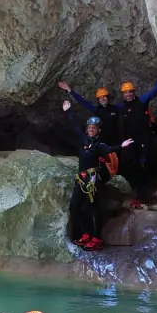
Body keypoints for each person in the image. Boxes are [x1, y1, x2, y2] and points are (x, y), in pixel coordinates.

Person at [61, 99, 133, 250]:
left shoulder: (100, 145)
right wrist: (68, 111)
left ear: (98, 130)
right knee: (74, 207)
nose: (91, 129)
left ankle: (96, 238)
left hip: (93, 180)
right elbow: (74, 127)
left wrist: (122, 146)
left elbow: (110, 149)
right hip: (81, 179)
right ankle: (84, 235)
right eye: (90, 127)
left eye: (94, 128)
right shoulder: (84, 140)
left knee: (93, 209)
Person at [118, 62, 157, 207]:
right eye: (126, 92)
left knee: (143, 163)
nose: (128, 94)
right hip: (131, 142)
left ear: (133, 92)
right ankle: (140, 192)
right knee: (134, 166)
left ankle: (144, 193)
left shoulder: (141, 102)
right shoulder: (121, 107)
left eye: (130, 92)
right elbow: (103, 111)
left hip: (143, 139)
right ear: (123, 94)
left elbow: (154, 91)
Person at [57, 81, 120, 145]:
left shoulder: (115, 108)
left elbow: (127, 105)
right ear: (98, 100)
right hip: (102, 142)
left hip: (116, 141)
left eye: (104, 97)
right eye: (100, 97)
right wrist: (69, 90)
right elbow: (83, 101)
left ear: (108, 97)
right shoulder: (97, 110)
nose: (102, 99)